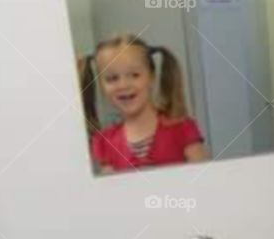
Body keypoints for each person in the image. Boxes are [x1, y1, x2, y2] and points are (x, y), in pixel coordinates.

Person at [83, 34, 209, 173]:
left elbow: (205, 181)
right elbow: (111, 192)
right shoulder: (104, 142)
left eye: (135, 75)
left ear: (151, 76)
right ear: (101, 85)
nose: (123, 85)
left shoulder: (182, 128)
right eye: (112, 79)